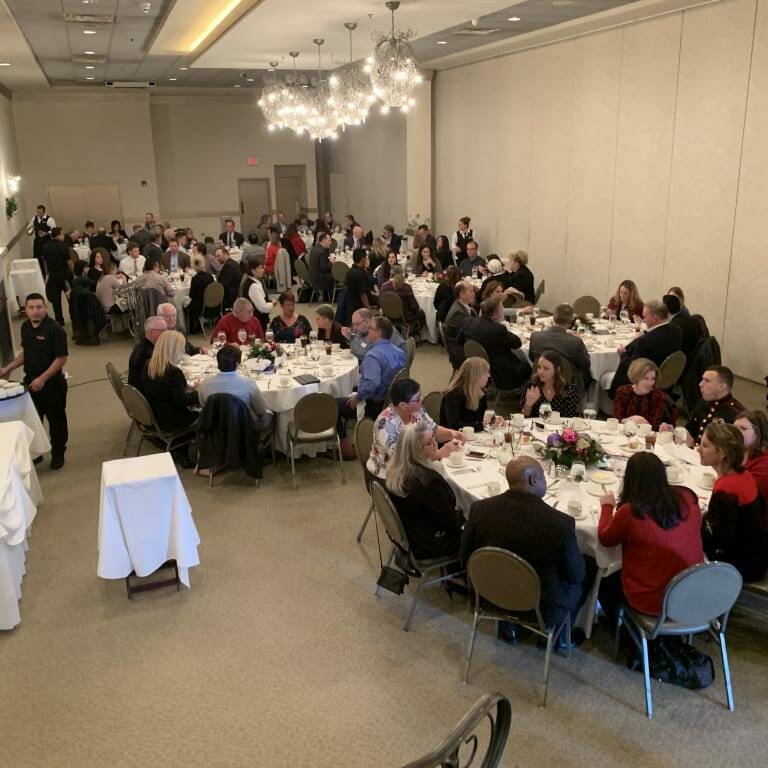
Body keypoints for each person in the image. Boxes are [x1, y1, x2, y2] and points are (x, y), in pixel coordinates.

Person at [461, 456, 587, 634]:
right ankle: (556, 639)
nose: (544, 480)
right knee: (588, 569)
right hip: (538, 609)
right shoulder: (560, 524)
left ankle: (507, 628)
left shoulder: (479, 509)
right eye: (543, 477)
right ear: (532, 480)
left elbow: (465, 556)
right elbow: (575, 575)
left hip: (488, 594)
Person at [597, 452, 704, 622]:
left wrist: (607, 506)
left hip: (652, 598)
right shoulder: (687, 497)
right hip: (693, 589)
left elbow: (605, 538)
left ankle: (630, 633)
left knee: (603, 584)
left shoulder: (632, 511)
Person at [0, 293, 69, 469]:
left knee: (56, 421)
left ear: (45, 308)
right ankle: (37, 452)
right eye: (31, 307)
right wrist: (8, 368)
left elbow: (61, 358)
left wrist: (43, 378)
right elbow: (27, 352)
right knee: (33, 421)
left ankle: (58, 453)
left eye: (39, 307)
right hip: (30, 383)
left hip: (52, 384)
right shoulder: (25, 327)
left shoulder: (55, 330)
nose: (35, 311)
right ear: (26, 309)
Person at [698, 421, 767, 581]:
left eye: (705, 446)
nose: (698, 449)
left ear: (722, 454)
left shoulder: (726, 490)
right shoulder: (744, 475)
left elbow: (721, 539)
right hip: (757, 555)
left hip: (741, 566)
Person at [386, 424, 465, 559]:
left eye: (434, 439)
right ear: (417, 450)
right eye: (430, 442)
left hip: (412, 533)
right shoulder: (429, 482)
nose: (436, 444)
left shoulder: (397, 470)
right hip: (429, 544)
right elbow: (450, 524)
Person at [367, 377, 464, 479]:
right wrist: (439, 454)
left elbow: (433, 430)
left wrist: (454, 434)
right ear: (403, 405)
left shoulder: (416, 409)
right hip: (390, 474)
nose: (421, 401)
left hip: (416, 464)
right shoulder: (386, 426)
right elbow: (403, 460)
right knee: (442, 483)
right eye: (417, 399)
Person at [336, 317, 406, 457]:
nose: (368, 331)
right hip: (392, 402)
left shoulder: (373, 356)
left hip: (374, 404)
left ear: (378, 333)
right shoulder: (400, 352)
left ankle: (346, 449)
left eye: (371, 329)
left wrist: (358, 397)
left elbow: (371, 384)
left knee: (332, 404)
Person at [141, 330, 199, 466]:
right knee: (209, 410)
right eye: (181, 348)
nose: (183, 351)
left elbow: (165, 391)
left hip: (156, 415)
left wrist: (186, 388)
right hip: (172, 419)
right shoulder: (174, 372)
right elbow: (182, 401)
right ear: (174, 349)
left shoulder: (149, 365)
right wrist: (200, 392)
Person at [609, 300, 683, 396]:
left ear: (655, 318)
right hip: (665, 380)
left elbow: (634, 368)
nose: (643, 320)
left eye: (645, 317)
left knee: (604, 376)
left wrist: (622, 354)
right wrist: (645, 333)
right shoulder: (677, 332)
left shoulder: (645, 342)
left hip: (644, 381)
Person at [457, 297, 531, 389]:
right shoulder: (498, 330)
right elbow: (517, 343)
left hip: (474, 365)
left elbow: (459, 341)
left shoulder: (468, 321)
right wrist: (501, 326)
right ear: (495, 315)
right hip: (498, 374)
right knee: (529, 366)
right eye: (502, 310)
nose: (503, 313)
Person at [661, 365, 744, 446]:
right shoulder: (703, 403)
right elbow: (689, 430)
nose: (700, 384)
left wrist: (695, 443)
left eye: (707, 381)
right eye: (702, 379)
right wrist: (674, 433)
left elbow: (728, 450)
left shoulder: (737, 414)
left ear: (721, 387)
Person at [198, 344, 273, 432]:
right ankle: (273, 443)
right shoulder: (248, 383)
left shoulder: (206, 382)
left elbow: (203, 405)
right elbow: (261, 410)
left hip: (215, 425)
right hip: (244, 427)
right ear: (238, 363)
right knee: (271, 412)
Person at [529, 303, 592, 391]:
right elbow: (586, 364)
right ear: (570, 321)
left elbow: (532, 358)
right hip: (565, 387)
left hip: (539, 383)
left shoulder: (535, 336)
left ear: (553, 318)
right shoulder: (574, 341)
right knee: (588, 376)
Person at [613, 358, 677, 431]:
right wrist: (629, 420)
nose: (650, 383)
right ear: (636, 378)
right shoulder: (623, 392)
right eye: (646, 378)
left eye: (653, 379)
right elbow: (616, 420)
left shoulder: (658, 397)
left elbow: (654, 427)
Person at [440, 357, 499, 432]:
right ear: (475, 376)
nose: (488, 375)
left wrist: (493, 419)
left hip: (471, 436)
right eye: (485, 372)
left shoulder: (481, 392)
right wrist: (481, 425)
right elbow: (454, 426)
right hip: (452, 440)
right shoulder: (452, 395)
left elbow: (480, 419)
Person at [521, 350, 579, 418]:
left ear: (557, 369)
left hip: (559, 427)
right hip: (536, 427)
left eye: (546, 368)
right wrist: (528, 405)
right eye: (539, 367)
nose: (541, 372)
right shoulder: (530, 387)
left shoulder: (569, 389)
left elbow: (569, 418)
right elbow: (524, 418)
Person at [735, 410, 768, 526]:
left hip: (755, 525)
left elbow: (743, 496)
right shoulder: (741, 452)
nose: (736, 432)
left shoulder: (763, 466)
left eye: (743, 429)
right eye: (735, 428)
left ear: (758, 433)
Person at [41, 228, 73, 325]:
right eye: (62, 234)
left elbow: (45, 262)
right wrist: (74, 273)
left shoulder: (46, 247)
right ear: (58, 235)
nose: (63, 236)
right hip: (64, 275)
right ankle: (73, 316)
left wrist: (47, 274)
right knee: (70, 296)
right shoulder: (63, 246)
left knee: (56, 300)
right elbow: (69, 262)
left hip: (53, 275)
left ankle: (59, 320)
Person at [380, 266, 425, 333]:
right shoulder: (406, 287)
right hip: (404, 317)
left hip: (388, 316)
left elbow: (380, 304)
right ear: (402, 274)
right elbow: (415, 307)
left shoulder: (383, 287)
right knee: (422, 313)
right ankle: (413, 334)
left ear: (390, 274)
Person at [128, 316, 167, 390]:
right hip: (145, 395)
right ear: (151, 332)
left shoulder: (145, 344)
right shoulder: (146, 353)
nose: (166, 333)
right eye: (163, 330)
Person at [240, 256, 275, 330]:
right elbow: (263, 308)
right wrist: (272, 303)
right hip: (257, 322)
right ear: (253, 271)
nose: (263, 270)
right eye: (260, 268)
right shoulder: (254, 286)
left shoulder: (251, 281)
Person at [663, 293, 701, 360]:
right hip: (692, 359)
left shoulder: (674, 327)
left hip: (683, 362)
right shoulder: (689, 319)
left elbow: (669, 351)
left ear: (665, 309)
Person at [345, 248, 376, 322]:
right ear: (362, 259)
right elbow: (363, 295)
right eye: (366, 258)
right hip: (360, 307)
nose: (366, 260)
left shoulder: (349, 272)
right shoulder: (361, 274)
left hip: (351, 305)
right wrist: (369, 312)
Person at [308, 232, 334, 302]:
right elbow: (324, 268)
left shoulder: (314, 248)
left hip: (312, 277)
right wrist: (331, 263)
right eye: (329, 240)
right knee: (339, 276)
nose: (330, 242)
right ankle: (333, 296)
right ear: (323, 240)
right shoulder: (322, 252)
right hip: (320, 280)